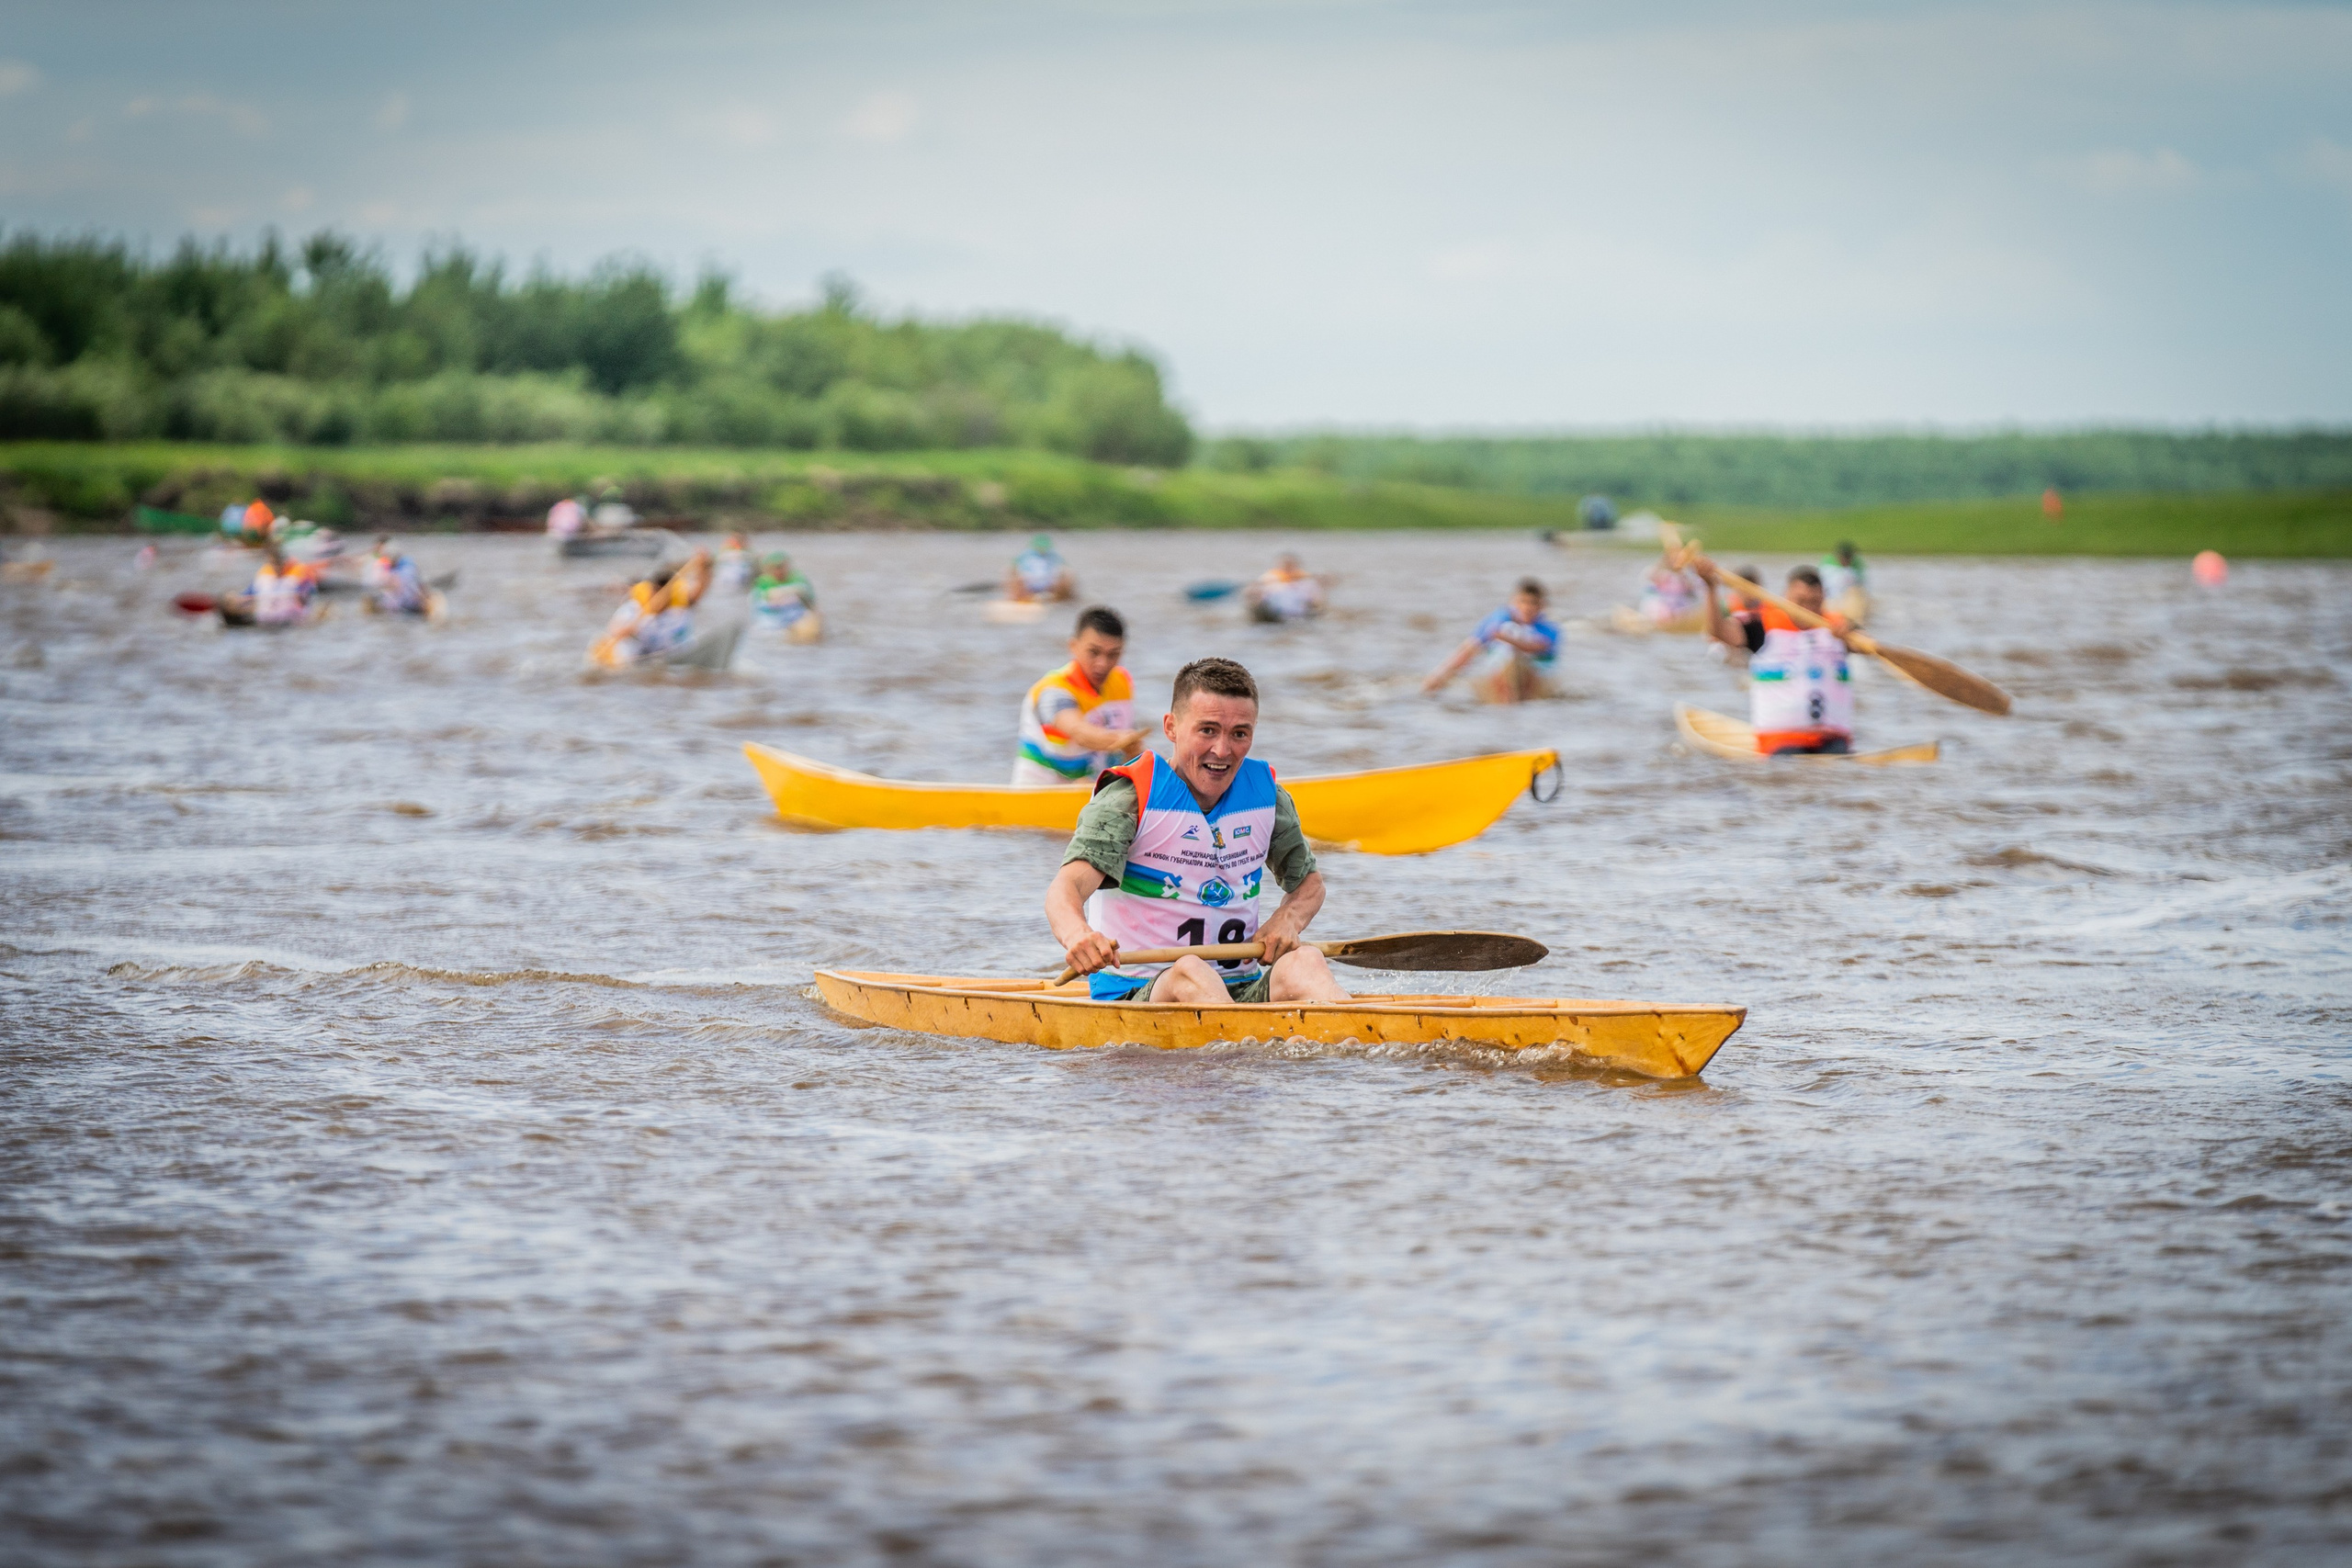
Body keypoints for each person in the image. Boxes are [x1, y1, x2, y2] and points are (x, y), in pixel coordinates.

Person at [1046, 656, 1350, 1006]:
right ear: (1171, 727)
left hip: (1240, 987)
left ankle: (1363, 1038)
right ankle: (1244, 1055)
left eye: (1240, 734)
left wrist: (1288, 919)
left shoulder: (1268, 797)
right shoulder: (1128, 799)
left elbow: (1310, 884)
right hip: (1138, 990)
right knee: (1190, 969)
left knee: (1306, 961)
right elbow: (1065, 889)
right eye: (1207, 730)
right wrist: (1078, 935)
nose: (1222, 751)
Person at [1695, 558, 1856, 755]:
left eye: (1815, 602)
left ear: (1823, 598)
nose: (1808, 609)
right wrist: (1710, 589)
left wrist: (1850, 636)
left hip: (1832, 739)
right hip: (1781, 740)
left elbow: (1865, 644)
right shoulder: (1762, 624)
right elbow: (1719, 632)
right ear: (1786, 596)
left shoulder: (1839, 627)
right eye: (1801, 602)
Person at [1013, 605, 1150, 786]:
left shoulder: (1122, 682)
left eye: (1113, 655)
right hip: (1039, 794)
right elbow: (1078, 731)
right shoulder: (1052, 691)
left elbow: (1130, 756)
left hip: (1093, 793)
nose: (1102, 664)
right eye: (1094, 652)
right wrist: (1117, 739)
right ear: (1073, 646)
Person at [1422, 578, 1560, 703]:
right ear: (1514, 602)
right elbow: (1469, 650)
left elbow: (1533, 647)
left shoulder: (1550, 630)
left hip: (1534, 673)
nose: (1528, 608)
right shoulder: (1499, 619)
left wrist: (1505, 638)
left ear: (1542, 605)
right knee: (1509, 661)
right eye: (1523, 602)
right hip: (1500, 670)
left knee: (1517, 662)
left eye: (1534, 603)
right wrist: (1441, 676)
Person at [752, 551, 820, 641]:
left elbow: (811, 600)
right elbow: (766, 598)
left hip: (794, 614)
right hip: (771, 618)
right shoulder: (763, 582)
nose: (779, 571)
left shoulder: (797, 578)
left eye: (782, 567)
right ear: (768, 569)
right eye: (776, 568)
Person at [1244, 553, 1326, 623]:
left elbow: (1317, 601)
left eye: (1290, 564)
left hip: (1297, 613)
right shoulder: (1268, 579)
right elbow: (1253, 594)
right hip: (1272, 612)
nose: (1287, 567)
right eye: (1285, 564)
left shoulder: (1307, 582)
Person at [366, 538, 428, 615]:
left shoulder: (403, 569)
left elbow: (393, 586)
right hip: (410, 602)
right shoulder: (407, 564)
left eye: (387, 557)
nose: (386, 559)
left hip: (405, 604)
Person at [1007, 534, 1074, 603]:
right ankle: (1017, 598)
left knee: (1068, 576)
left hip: (1049, 583)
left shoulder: (1054, 555)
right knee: (1017, 579)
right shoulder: (1025, 555)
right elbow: (1012, 569)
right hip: (1029, 582)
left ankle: (1060, 598)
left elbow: (1067, 570)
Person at [1819, 541, 1869, 623]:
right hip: (1831, 600)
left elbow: (1862, 587)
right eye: (1844, 557)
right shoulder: (1828, 568)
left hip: (1848, 602)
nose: (1846, 560)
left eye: (1848, 557)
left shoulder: (1856, 569)